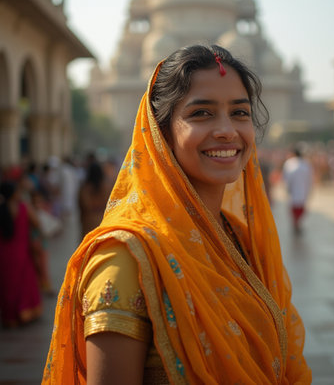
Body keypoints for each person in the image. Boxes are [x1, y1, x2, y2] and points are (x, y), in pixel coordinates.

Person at [43, 45, 312, 384]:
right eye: (202, 113)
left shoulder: (240, 240)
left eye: (240, 113)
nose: (227, 130)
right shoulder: (126, 260)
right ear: (161, 131)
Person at [0, 180, 42, 327]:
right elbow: (37, 223)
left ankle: (10, 319)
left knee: (7, 286)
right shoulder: (23, 207)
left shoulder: (2, 209)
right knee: (24, 284)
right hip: (22, 252)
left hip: (4, 254)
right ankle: (25, 315)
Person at [78, 161, 113, 240]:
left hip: (88, 223)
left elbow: (82, 207)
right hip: (103, 222)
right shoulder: (108, 186)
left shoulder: (84, 188)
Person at [282, 146, 313, 232]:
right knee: (296, 209)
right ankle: (296, 224)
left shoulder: (291, 163)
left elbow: (285, 179)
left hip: (298, 190)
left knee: (298, 210)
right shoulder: (304, 164)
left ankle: (296, 224)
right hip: (299, 191)